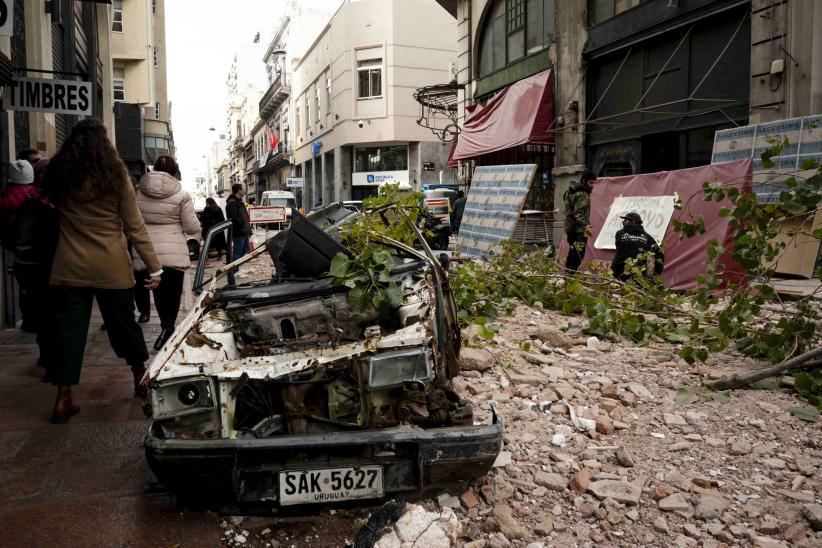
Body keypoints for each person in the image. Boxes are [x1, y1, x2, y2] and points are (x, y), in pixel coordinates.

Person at [43, 118, 162, 424]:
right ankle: (140, 379)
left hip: (69, 266)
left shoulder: (61, 172)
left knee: (67, 334)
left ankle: (63, 397)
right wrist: (154, 266)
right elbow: (134, 227)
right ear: (104, 142)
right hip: (111, 266)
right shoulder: (115, 174)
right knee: (124, 326)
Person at [133, 155, 200, 351]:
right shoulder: (182, 195)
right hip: (174, 252)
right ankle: (168, 327)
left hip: (147, 252)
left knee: (157, 293)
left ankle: (165, 327)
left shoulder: (138, 192)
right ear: (174, 171)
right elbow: (191, 227)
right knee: (172, 293)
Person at [0, 160, 53, 355]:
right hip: (47, 260)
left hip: (21, 258)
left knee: (33, 301)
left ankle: (39, 338)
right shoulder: (42, 197)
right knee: (49, 308)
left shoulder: (7, 197)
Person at [611, 212, 665, 282]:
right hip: (638, 275)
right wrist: (656, 274)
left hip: (617, 273)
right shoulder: (647, 238)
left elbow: (620, 249)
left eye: (625, 220)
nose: (623, 222)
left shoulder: (620, 233)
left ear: (633, 221)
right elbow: (660, 255)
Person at [563, 171, 596, 273]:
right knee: (578, 255)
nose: (592, 186)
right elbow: (579, 214)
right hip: (579, 230)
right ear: (584, 181)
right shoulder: (582, 194)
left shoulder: (570, 192)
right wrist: (586, 226)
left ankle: (567, 276)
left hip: (570, 228)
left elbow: (570, 210)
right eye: (591, 183)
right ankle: (571, 279)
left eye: (594, 183)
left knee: (573, 252)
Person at [225, 183, 251, 261]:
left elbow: (243, 217)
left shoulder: (239, 202)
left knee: (245, 249)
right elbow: (234, 218)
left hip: (244, 231)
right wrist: (242, 225)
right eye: (243, 189)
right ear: (239, 190)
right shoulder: (232, 203)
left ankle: (235, 269)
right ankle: (233, 271)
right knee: (237, 252)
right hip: (238, 232)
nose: (244, 191)